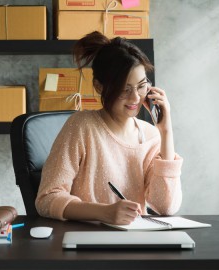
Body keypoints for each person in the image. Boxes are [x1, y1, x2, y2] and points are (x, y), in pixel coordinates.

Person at [35, 31, 183, 225]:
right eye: (124, 88)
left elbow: (166, 207)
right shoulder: (81, 126)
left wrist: (166, 132)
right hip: (87, 242)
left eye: (141, 86)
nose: (135, 98)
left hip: (134, 243)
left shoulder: (150, 135)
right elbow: (47, 199)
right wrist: (103, 212)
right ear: (99, 87)